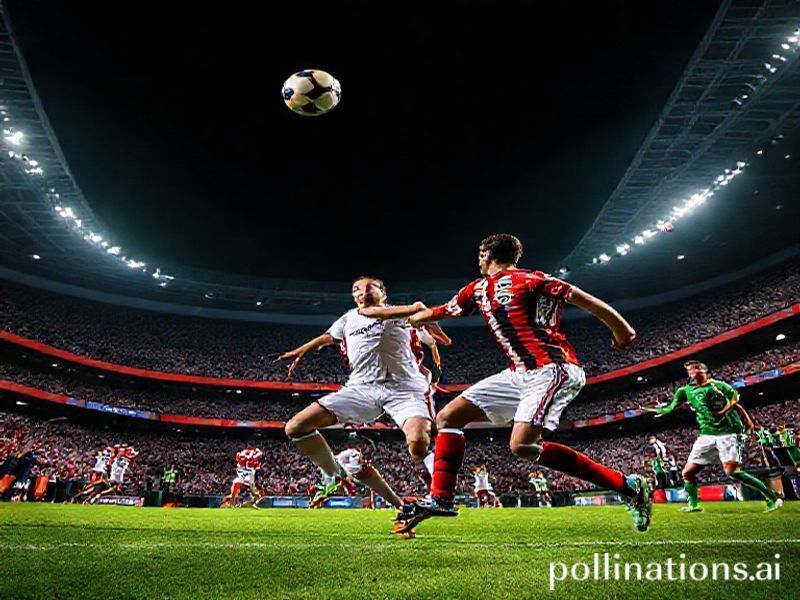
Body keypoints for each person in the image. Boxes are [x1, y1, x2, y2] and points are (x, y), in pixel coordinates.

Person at [361, 234, 652, 534]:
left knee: (522, 445)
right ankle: (441, 498)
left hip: (553, 369)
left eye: (479, 253)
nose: (477, 259)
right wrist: (398, 318)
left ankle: (627, 486)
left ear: (487, 254)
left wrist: (622, 329)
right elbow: (440, 312)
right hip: (518, 373)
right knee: (448, 417)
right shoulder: (476, 289)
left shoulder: (531, 280)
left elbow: (581, 297)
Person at [277, 276, 436, 532]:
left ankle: (436, 494)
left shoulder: (403, 315)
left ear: (383, 292)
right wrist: (302, 350)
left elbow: (425, 325)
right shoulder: (349, 318)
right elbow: (328, 336)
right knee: (296, 427)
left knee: (418, 444)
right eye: (356, 290)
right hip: (361, 388)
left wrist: (424, 318)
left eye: (369, 287)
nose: (362, 292)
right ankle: (334, 473)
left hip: (404, 388)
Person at [646, 360, 783, 513]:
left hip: (727, 434)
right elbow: (672, 406)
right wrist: (663, 410)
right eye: (690, 369)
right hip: (706, 436)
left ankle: (772, 497)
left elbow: (735, 399)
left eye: (697, 368)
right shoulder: (685, 391)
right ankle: (693, 504)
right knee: (687, 473)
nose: (694, 371)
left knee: (733, 472)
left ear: (705, 370)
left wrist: (731, 413)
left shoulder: (719, 386)